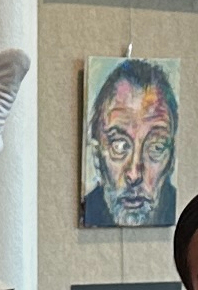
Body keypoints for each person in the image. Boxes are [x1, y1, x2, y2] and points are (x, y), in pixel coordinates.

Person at [77, 60, 181, 230]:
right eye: (119, 146)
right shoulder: (89, 209)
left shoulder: (189, 219)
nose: (134, 175)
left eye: (156, 147)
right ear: (97, 156)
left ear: (171, 158)